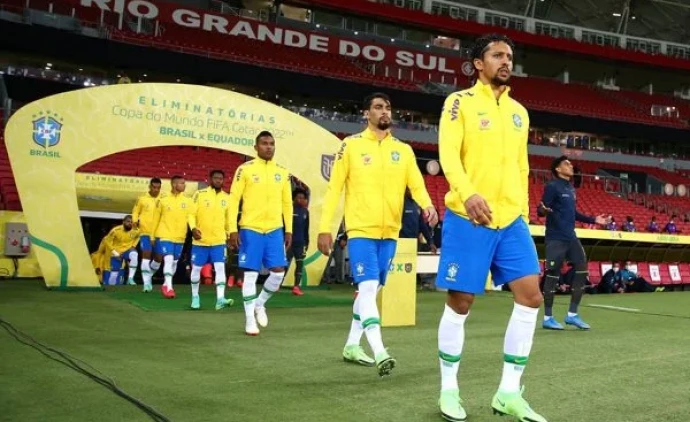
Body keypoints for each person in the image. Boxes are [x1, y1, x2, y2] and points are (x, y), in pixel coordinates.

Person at [434, 34, 547, 422]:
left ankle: (509, 392)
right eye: (497, 55)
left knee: (531, 297)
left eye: (510, 56)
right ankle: (449, 389)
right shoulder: (458, 103)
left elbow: (522, 166)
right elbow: (448, 153)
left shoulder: (519, 111)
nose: (506, 61)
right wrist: (466, 194)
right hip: (469, 217)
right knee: (461, 302)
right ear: (477, 64)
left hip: (510, 219)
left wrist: (524, 211)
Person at [317, 92, 438, 376]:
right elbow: (334, 189)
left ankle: (350, 345)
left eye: (388, 107)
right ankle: (380, 350)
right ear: (366, 114)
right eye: (378, 107)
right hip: (360, 229)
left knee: (372, 289)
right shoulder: (351, 146)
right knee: (369, 288)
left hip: (390, 232)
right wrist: (326, 228)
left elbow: (416, 184)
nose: (385, 111)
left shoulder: (404, 150)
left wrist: (428, 205)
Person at [228, 131, 293, 336]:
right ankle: (249, 321)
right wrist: (232, 229)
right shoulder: (244, 169)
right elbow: (233, 199)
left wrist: (289, 229)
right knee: (250, 275)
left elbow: (287, 203)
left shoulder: (282, 172)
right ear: (256, 147)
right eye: (264, 143)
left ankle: (260, 303)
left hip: (275, 229)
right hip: (250, 229)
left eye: (272, 143)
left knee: (278, 272)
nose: (268, 147)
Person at [538, 156, 608, 331]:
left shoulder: (570, 187)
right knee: (553, 275)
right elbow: (541, 208)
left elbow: (573, 213)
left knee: (582, 268)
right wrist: (543, 211)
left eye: (570, 163)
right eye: (566, 164)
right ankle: (548, 317)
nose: (570, 165)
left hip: (571, 237)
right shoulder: (552, 186)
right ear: (558, 169)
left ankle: (572, 315)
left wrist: (594, 219)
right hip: (555, 238)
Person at [187, 170, 235, 310]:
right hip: (200, 241)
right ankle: (195, 297)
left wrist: (229, 235)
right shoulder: (199, 194)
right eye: (215, 178)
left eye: (221, 178)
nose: (218, 180)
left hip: (219, 241)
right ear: (210, 179)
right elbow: (191, 214)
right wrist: (193, 228)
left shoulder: (227, 198)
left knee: (220, 268)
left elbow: (229, 220)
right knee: (196, 269)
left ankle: (220, 299)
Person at [151, 175, 194, 299]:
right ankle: (169, 287)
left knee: (174, 261)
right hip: (165, 234)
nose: (184, 185)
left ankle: (165, 284)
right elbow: (155, 219)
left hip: (180, 236)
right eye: (182, 183)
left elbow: (191, 217)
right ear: (174, 184)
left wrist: (194, 228)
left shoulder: (188, 201)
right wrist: (152, 236)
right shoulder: (163, 200)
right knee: (168, 259)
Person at [132, 177, 162, 292]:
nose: (156, 190)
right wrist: (135, 220)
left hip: (159, 233)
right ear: (150, 187)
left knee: (159, 259)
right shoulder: (142, 199)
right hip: (145, 232)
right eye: (154, 187)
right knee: (146, 256)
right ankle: (146, 283)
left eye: (158, 188)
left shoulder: (163, 198)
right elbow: (135, 211)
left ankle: (148, 275)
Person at [103, 215, 141, 286]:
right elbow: (107, 241)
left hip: (127, 251)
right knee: (114, 274)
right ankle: (111, 289)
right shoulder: (115, 230)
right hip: (116, 253)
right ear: (123, 222)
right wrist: (115, 253)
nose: (130, 223)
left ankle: (130, 278)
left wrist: (133, 246)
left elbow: (139, 236)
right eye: (128, 221)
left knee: (134, 254)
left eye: (132, 222)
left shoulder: (136, 230)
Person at [286, 188, 310, 296]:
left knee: (299, 264)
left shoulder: (305, 212)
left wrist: (307, 242)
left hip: (300, 243)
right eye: (298, 197)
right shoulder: (288, 210)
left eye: (302, 198)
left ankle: (296, 287)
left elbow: (306, 229)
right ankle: (275, 285)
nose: (300, 200)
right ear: (294, 198)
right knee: (284, 264)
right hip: (289, 242)